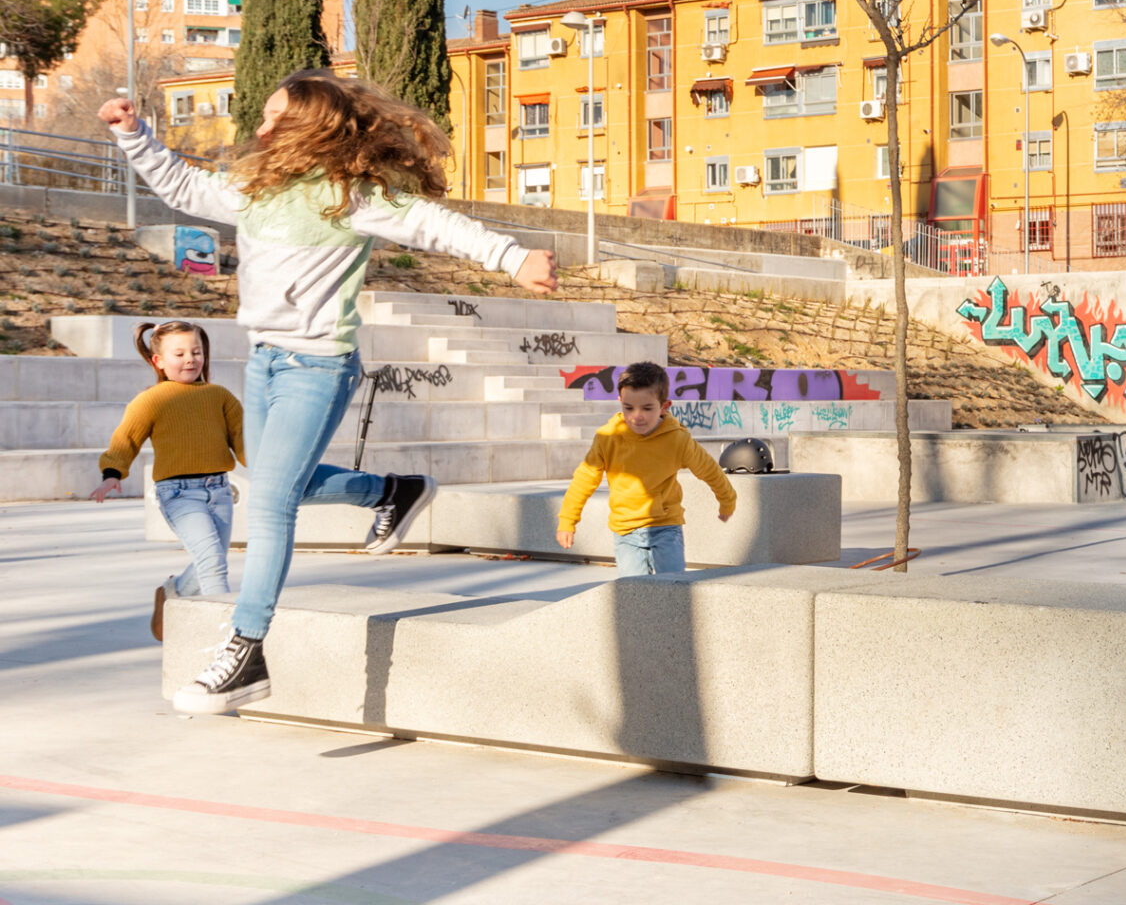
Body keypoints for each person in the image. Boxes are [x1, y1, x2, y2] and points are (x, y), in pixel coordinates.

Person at [98, 73, 558, 713]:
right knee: (273, 482)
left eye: (273, 117)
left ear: (309, 128)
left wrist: (512, 257)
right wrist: (132, 135)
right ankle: (391, 492)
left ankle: (248, 649)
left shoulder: (349, 196)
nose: (260, 128)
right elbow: (182, 186)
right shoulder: (256, 188)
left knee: (271, 504)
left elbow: (431, 223)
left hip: (317, 367)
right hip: (264, 362)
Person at [91, 320, 245, 642]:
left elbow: (244, 440)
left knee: (210, 562)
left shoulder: (220, 396)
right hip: (178, 494)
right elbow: (125, 440)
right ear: (158, 361)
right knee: (213, 565)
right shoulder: (152, 400)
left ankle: (172, 591)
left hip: (219, 490)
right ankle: (227, 640)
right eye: (180, 354)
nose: (190, 359)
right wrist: (111, 474)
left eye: (196, 352)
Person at [556, 361, 737, 575]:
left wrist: (727, 501)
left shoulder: (677, 440)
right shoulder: (608, 438)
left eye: (647, 408)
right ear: (620, 401)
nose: (637, 416)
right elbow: (584, 479)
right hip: (626, 531)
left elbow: (709, 470)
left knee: (672, 586)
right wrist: (567, 521)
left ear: (664, 407)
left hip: (665, 527)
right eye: (629, 408)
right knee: (634, 590)